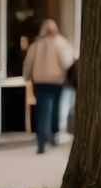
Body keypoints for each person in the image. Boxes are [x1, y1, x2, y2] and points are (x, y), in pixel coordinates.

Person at [21, 20, 75, 154]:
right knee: (55, 108)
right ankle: (53, 133)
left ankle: (41, 140)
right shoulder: (60, 43)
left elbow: (28, 62)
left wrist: (26, 76)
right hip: (56, 81)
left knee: (42, 110)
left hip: (40, 81)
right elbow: (66, 61)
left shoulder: (36, 44)